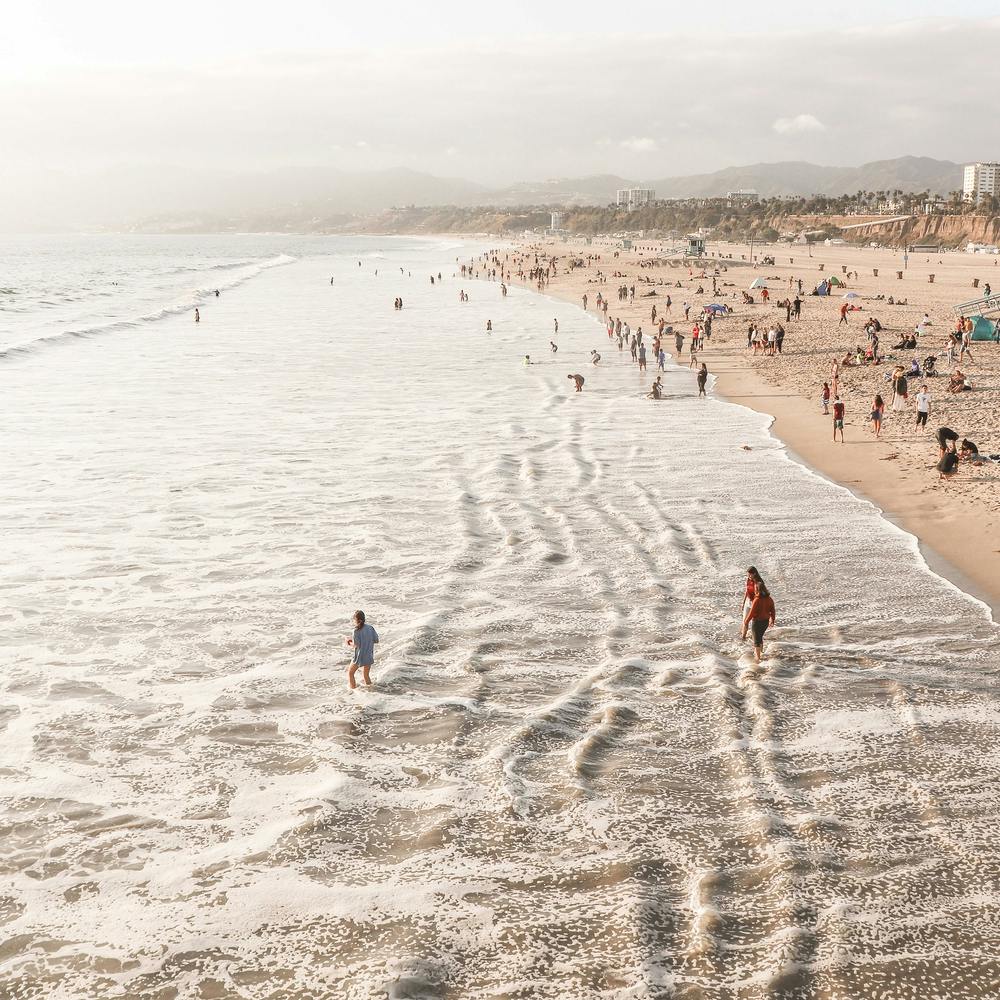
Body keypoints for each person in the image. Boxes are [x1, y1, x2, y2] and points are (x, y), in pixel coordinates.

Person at [741, 581, 776, 663]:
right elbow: (772, 610)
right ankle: (761, 653)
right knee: (760, 637)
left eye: (755, 589)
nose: (754, 590)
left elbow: (751, 612)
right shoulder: (769, 599)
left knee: (756, 640)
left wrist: (746, 622)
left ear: (758, 590)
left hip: (757, 622)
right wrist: (772, 619)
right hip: (765, 622)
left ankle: (758, 659)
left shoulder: (756, 600)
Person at [345, 610, 379, 689]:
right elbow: (376, 640)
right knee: (366, 675)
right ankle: (371, 690)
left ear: (356, 620)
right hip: (369, 656)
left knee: (350, 673)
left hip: (359, 658)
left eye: (353, 620)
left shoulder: (355, 631)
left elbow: (356, 645)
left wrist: (348, 642)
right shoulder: (370, 628)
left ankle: (352, 690)